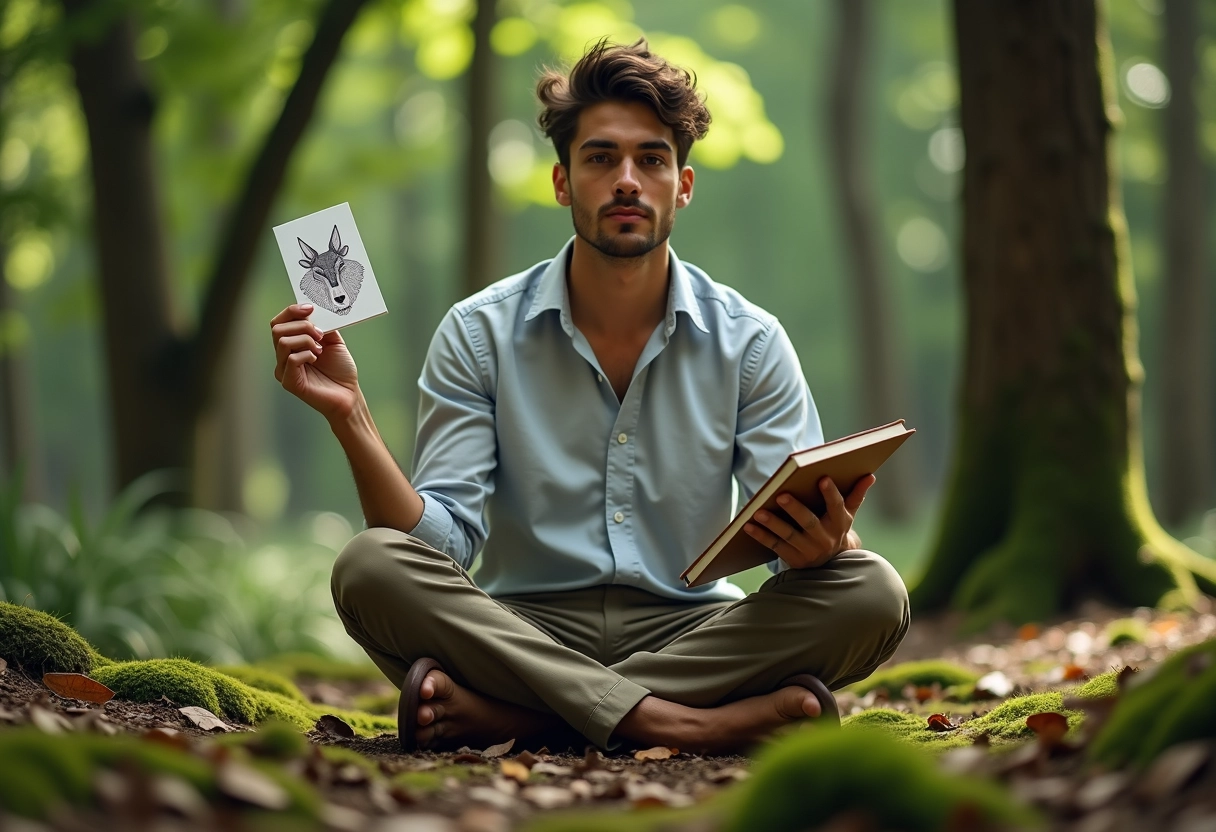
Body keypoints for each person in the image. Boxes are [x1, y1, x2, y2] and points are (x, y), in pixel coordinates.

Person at [270, 39, 909, 755]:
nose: (627, 180)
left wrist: (828, 542)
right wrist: (351, 415)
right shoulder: (478, 333)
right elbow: (436, 547)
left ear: (684, 185)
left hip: (693, 632)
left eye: (652, 159)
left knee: (873, 591)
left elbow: (782, 543)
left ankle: (521, 716)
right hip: (520, 628)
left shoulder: (751, 342)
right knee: (369, 566)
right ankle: (686, 724)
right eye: (602, 158)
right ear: (563, 182)